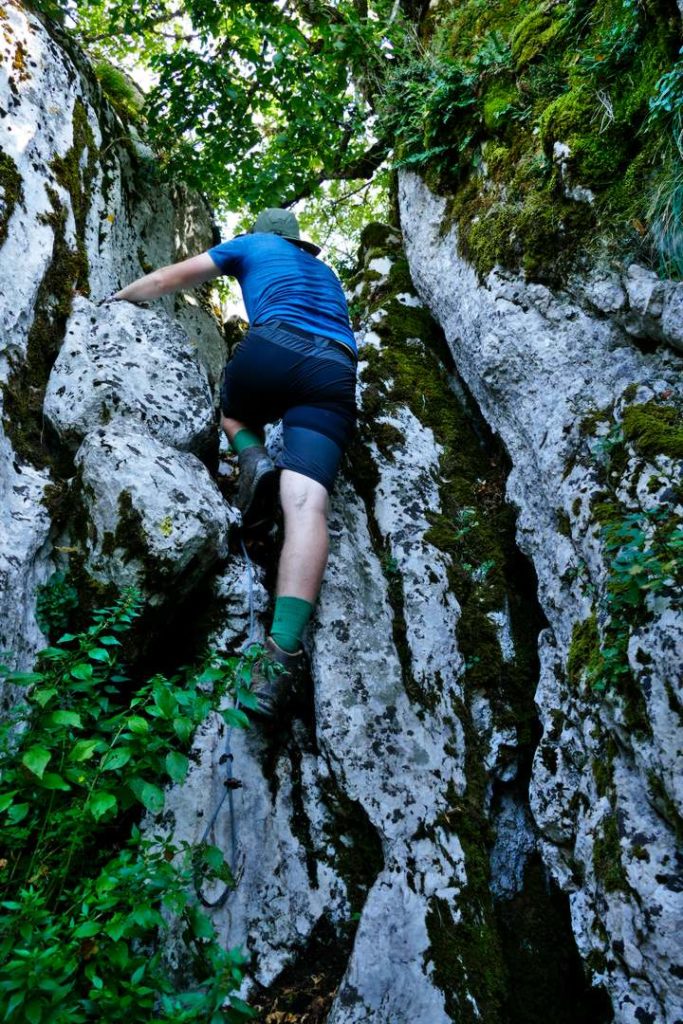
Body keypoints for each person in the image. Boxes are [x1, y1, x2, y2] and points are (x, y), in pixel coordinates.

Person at [107, 208, 358, 714]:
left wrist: (115, 301)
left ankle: (254, 457)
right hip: (334, 368)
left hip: (274, 345)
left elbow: (166, 278)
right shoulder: (326, 273)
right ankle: (279, 657)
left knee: (233, 411)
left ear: (262, 234)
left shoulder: (249, 246)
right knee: (308, 506)